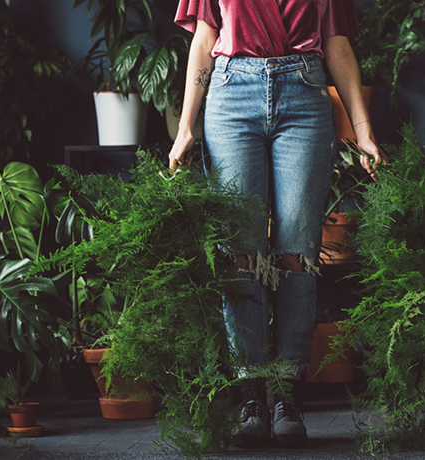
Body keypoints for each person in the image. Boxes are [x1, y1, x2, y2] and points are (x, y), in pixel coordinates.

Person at [169, 0, 388, 449]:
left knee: (296, 255)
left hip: (304, 93)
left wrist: (362, 130)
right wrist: (185, 126)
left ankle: (287, 396)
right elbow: (205, 36)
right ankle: (252, 397)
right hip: (231, 94)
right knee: (240, 256)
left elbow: (336, 45)